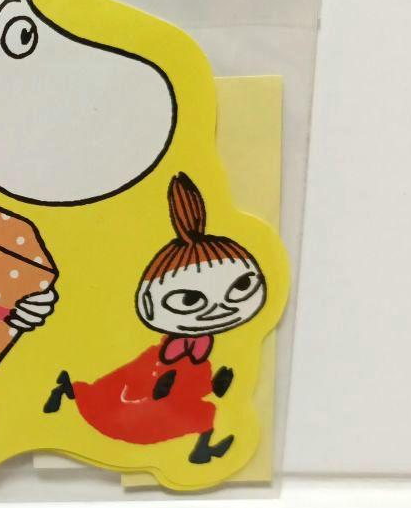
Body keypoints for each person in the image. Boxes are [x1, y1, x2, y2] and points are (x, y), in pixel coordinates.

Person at [43, 173, 267, 464]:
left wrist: (215, 384)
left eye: (241, 287)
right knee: (108, 400)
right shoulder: (163, 352)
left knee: (203, 413)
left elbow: (196, 380)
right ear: (148, 303)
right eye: (189, 300)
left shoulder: (202, 346)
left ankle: (201, 451)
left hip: (184, 375)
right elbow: (141, 381)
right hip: (154, 377)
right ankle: (69, 389)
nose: (219, 309)